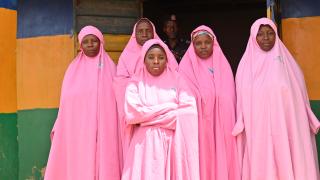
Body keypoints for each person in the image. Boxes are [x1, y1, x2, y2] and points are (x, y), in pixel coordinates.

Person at [232, 17, 320, 179]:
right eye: (260, 34)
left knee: (288, 158)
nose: (265, 37)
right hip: (258, 128)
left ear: (276, 35)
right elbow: (240, 103)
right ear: (253, 37)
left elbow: (300, 98)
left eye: (270, 33)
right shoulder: (245, 67)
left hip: (287, 127)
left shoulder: (288, 64)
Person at [45, 26, 120, 180]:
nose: (90, 44)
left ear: (101, 43)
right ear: (81, 45)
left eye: (94, 41)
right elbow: (67, 103)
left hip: (104, 131)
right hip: (78, 132)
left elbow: (115, 102)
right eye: (86, 42)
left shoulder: (111, 69)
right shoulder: (72, 70)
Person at [121, 39, 199, 180]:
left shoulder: (178, 79)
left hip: (173, 145)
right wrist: (171, 108)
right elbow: (133, 114)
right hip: (144, 147)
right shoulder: (135, 83)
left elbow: (189, 112)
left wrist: (146, 119)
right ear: (144, 60)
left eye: (161, 57)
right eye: (151, 57)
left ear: (167, 59)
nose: (156, 61)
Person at [179, 25, 240, 180]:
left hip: (221, 125)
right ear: (192, 45)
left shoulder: (223, 66)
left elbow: (229, 96)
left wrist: (214, 98)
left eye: (207, 42)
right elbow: (184, 95)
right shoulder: (185, 67)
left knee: (222, 154)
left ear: (214, 44)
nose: (203, 46)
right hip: (199, 124)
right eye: (198, 43)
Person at [113, 18, 161, 169]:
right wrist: (140, 97)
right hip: (136, 117)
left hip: (160, 118)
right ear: (134, 35)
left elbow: (172, 80)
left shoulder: (164, 53)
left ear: (154, 33)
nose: (145, 34)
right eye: (140, 31)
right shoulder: (126, 57)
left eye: (148, 31)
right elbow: (120, 83)